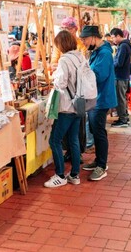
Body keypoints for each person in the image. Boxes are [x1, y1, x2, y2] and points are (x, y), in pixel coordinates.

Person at [44, 31, 85, 188]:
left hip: (67, 106)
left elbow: (60, 83)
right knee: (73, 139)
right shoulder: (80, 56)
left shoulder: (64, 60)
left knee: (55, 140)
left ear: (61, 45)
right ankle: (74, 174)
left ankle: (60, 175)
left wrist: (54, 75)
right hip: (79, 104)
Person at [79, 25, 117, 181]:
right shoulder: (97, 52)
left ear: (94, 37)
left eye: (85, 39)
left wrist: (82, 71)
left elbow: (98, 76)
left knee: (99, 132)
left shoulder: (105, 54)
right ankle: (99, 161)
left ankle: (102, 165)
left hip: (101, 99)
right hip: (96, 98)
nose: (84, 43)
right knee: (96, 130)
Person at [110, 28, 131, 128]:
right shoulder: (125, 45)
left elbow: (119, 62)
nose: (113, 40)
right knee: (122, 98)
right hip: (123, 75)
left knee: (120, 98)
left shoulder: (123, 46)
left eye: (113, 37)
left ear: (119, 36)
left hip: (120, 76)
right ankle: (123, 117)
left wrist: (111, 64)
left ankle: (123, 119)